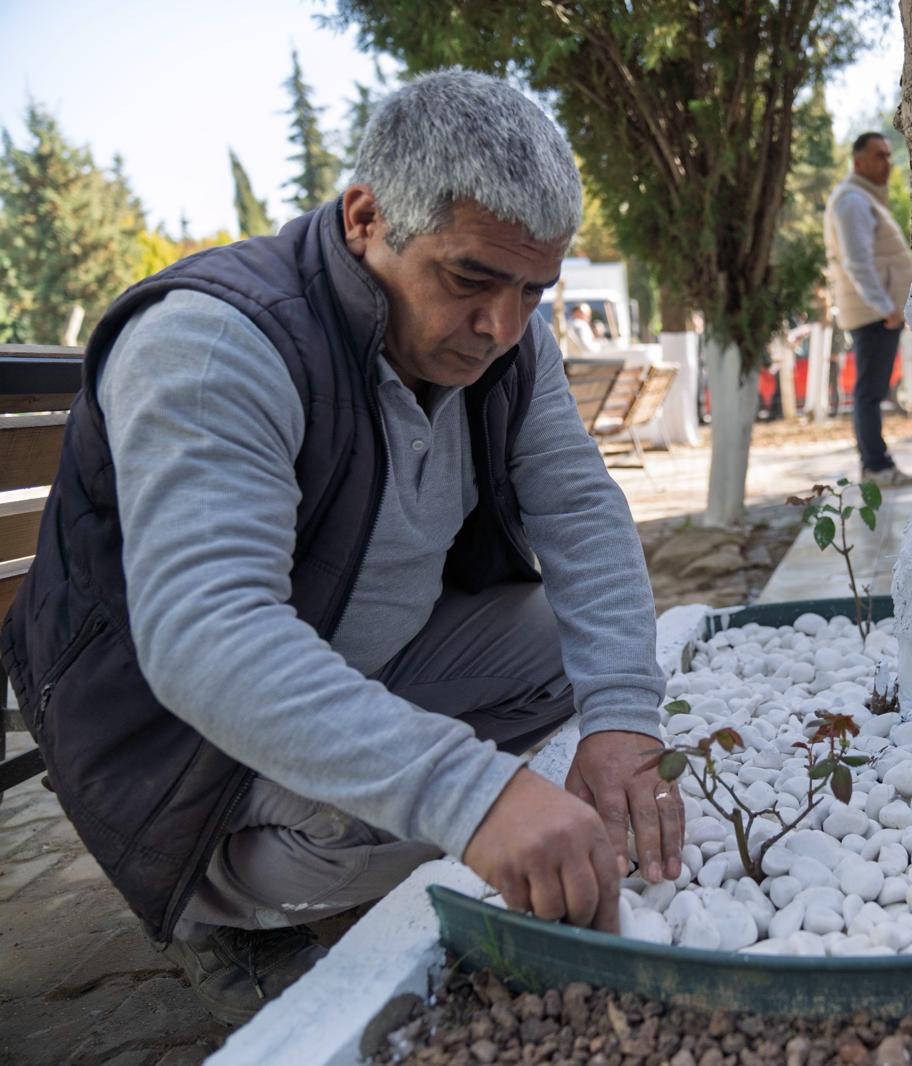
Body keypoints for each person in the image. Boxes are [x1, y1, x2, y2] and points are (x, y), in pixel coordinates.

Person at [0, 71, 681, 1025]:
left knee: (596, 667)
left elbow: (579, 508)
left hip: (360, 650)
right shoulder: (218, 342)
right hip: (170, 743)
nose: (502, 327)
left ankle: (353, 805)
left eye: (534, 289)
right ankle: (217, 904)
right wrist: (475, 796)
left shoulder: (510, 340)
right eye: (470, 279)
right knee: (409, 811)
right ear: (366, 217)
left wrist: (621, 720)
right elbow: (208, 636)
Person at [824, 132, 912, 486]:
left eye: (888, 155)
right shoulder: (852, 202)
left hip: (879, 312)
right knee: (869, 392)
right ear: (858, 162)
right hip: (873, 314)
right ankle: (876, 467)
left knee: (871, 390)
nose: (887, 163)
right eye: (879, 155)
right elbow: (857, 262)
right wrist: (885, 307)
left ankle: (875, 464)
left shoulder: (864, 199)